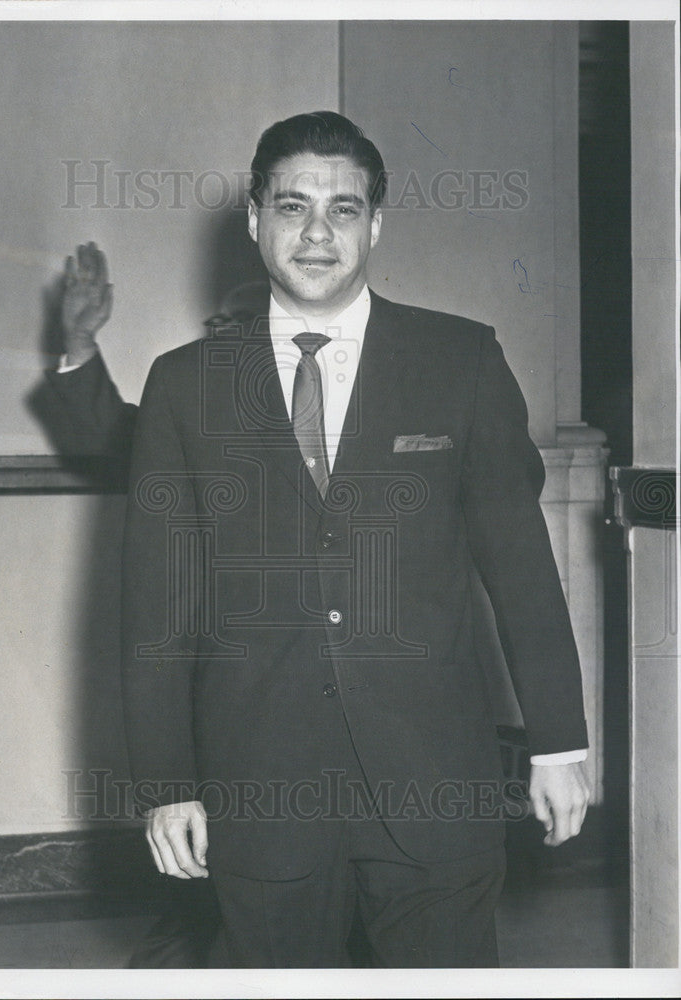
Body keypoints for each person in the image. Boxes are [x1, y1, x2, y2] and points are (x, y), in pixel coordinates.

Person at [73, 111, 590, 968]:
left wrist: (558, 742)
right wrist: (165, 787)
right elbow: (155, 607)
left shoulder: (459, 359)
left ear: (374, 225)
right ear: (253, 219)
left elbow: (521, 567)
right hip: (258, 793)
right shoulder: (184, 385)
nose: (317, 233)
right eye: (292, 206)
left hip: (436, 785)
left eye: (343, 209)